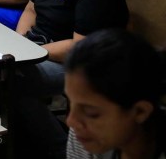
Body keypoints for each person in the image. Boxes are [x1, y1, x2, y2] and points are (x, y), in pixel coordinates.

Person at [13, 0, 129, 158]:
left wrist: (29, 52)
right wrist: (19, 41)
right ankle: (8, 138)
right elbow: (31, 8)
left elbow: (80, 48)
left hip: (81, 62)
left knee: (13, 81)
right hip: (40, 47)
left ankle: (59, 150)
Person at [65, 29, 166, 159]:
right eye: (70, 102)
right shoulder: (83, 134)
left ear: (140, 111)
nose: (71, 121)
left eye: (91, 113)